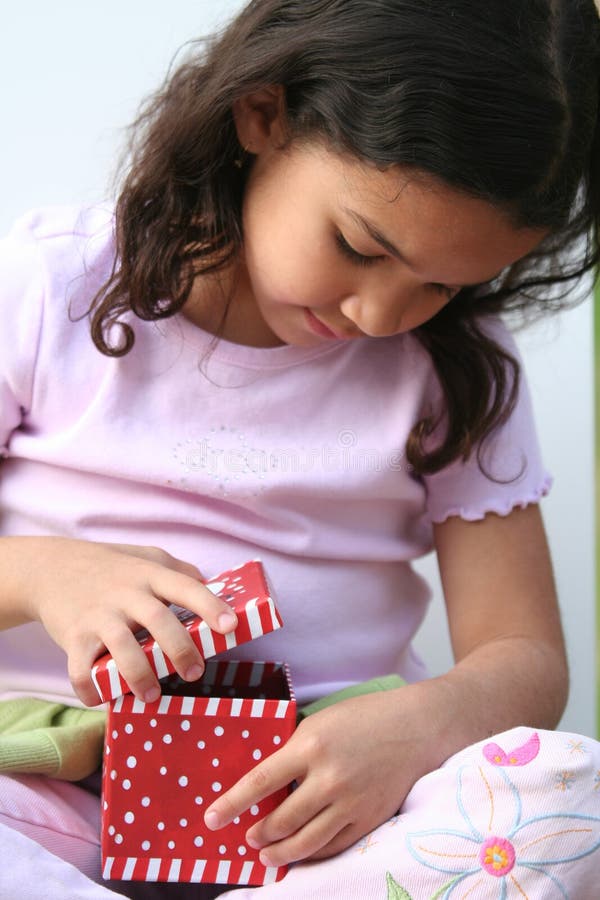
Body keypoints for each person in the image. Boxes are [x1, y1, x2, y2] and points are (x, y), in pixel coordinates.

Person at [1, 0, 599, 898]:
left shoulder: (458, 365)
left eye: (442, 285)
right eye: (359, 246)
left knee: (572, 800)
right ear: (263, 114)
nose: (380, 315)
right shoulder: (51, 286)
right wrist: (45, 575)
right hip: (39, 783)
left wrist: (421, 727)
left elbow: (523, 653)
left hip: (318, 818)